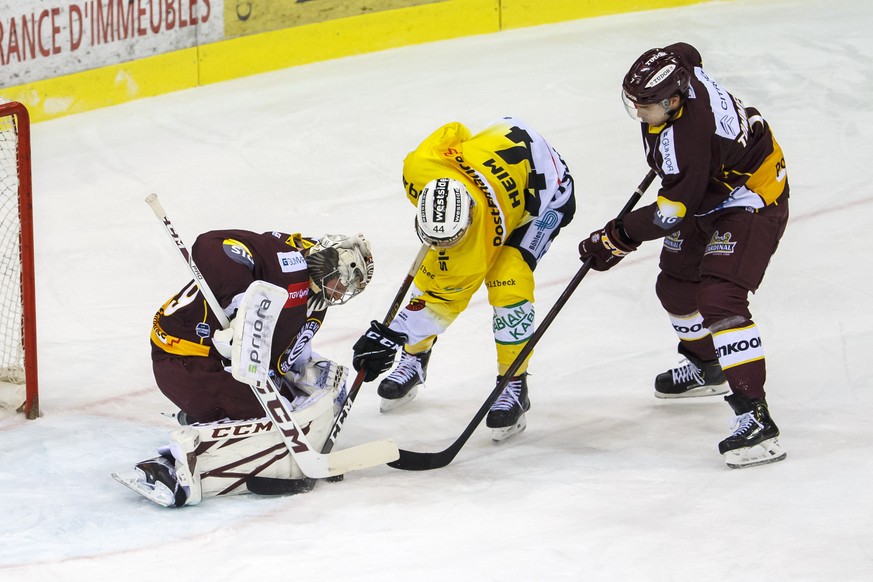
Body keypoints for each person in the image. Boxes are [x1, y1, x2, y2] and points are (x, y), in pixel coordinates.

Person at [578, 42, 789, 468]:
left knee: (719, 300)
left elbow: (671, 213)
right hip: (708, 187)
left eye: (646, 105)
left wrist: (616, 236)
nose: (638, 112)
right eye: (633, 102)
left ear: (673, 101)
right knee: (674, 287)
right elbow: (688, 50)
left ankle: (756, 418)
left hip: (751, 196)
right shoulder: (681, 69)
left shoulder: (687, 139)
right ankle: (706, 364)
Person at [351, 116, 576, 442]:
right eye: (434, 237)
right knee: (431, 271)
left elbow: (440, 308)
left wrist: (391, 335)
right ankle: (415, 360)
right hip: (504, 157)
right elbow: (456, 130)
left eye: (450, 239)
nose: (442, 246)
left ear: (468, 216)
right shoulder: (420, 168)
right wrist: (394, 335)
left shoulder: (473, 248)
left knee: (508, 281)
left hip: (546, 195)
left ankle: (514, 383)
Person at [114, 231, 374, 507]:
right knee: (268, 412)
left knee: (291, 401)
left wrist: (309, 367)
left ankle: (205, 415)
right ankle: (168, 467)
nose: (343, 292)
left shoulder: (313, 297)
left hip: (213, 362)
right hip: (182, 358)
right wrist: (240, 307)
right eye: (344, 282)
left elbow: (280, 358)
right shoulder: (286, 261)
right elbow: (209, 245)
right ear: (329, 264)